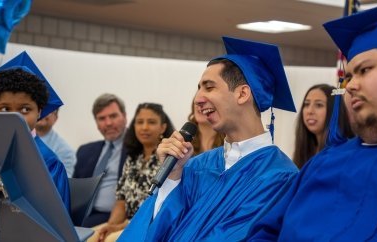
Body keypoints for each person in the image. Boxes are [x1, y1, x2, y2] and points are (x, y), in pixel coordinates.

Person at [118, 36, 299, 241]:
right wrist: (172, 179)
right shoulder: (195, 166)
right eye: (198, 88)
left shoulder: (279, 177)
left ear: (242, 94)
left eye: (209, 87)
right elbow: (152, 230)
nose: (198, 98)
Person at [249, 1, 377, 240]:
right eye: (348, 76)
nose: (350, 85)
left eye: (364, 70)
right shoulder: (324, 163)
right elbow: (265, 232)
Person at [0, 52, 70, 241]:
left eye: (25, 109)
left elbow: (54, 230)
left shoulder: (49, 163)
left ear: (40, 112)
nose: (14, 117)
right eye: (4, 109)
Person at [87, 103, 176, 242]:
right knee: (90, 236)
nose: (144, 127)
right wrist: (111, 225)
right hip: (126, 224)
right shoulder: (132, 158)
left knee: (111, 240)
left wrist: (123, 226)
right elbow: (121, 200)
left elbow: (163, 207)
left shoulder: (169, 159)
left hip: (151, 225)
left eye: (151, 122)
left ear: (163, 127)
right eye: (139, 122)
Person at [73, 93, 127, 227]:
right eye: (101, 118)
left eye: (113, 116)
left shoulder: (138, 149)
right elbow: (74, 190)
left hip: (113, 218)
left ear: (124, 117)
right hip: (79, 215)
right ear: (96, 123)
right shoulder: (85, 151)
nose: (108, 123)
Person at [293, 84, 353, 168]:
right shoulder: (306, 151)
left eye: (319, 105)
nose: (310, 111)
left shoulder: (344, 153)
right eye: (306, 104)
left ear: (333, 111)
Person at [36, 108, 77, 177]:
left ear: (56, 118)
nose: (42, 113)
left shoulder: (66, 151)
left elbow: (62, 183)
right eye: (39, 109)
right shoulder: (18, 139)